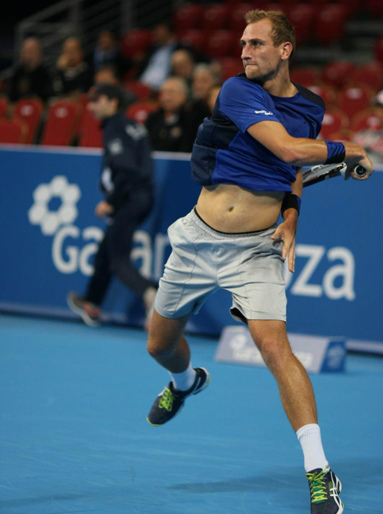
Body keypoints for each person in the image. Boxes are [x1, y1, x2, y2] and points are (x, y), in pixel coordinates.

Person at [145, 9, 374, 514]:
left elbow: (288, 172)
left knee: (274, 348)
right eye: (243, 44)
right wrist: (350, 148)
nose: (244, 51)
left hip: (258, 248)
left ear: (285, 50)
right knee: (159, 345)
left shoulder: (310, 105)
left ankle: (320, 472)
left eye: (256, 44)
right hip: (198, 239)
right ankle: (185, 382)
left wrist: (291, 215)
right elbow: (292, 151)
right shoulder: (236, 89)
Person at [67, 83, 157, 328]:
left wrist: (111, 201)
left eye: (97, 101)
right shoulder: (135, 127)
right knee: (106, 252)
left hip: (128, 199)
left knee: (119, 260)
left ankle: (152, 294)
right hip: (141, 197)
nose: (91, 106)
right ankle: (92, 303)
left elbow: (125, 169)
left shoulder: (114, 127)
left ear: (112, 102)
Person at [145, 76, 200, 152]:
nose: (166, 98)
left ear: (183, 96)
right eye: (163, 93)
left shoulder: (193, 120)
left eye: (171, 92)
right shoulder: (153, 118)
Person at [7, 37, 52, 102]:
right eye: (25, 51)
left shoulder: (46, 74)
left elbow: (47, 97)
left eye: (30, 51)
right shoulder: (17, 73)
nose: (27, 55)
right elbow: (11, 96)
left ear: (39, 53)